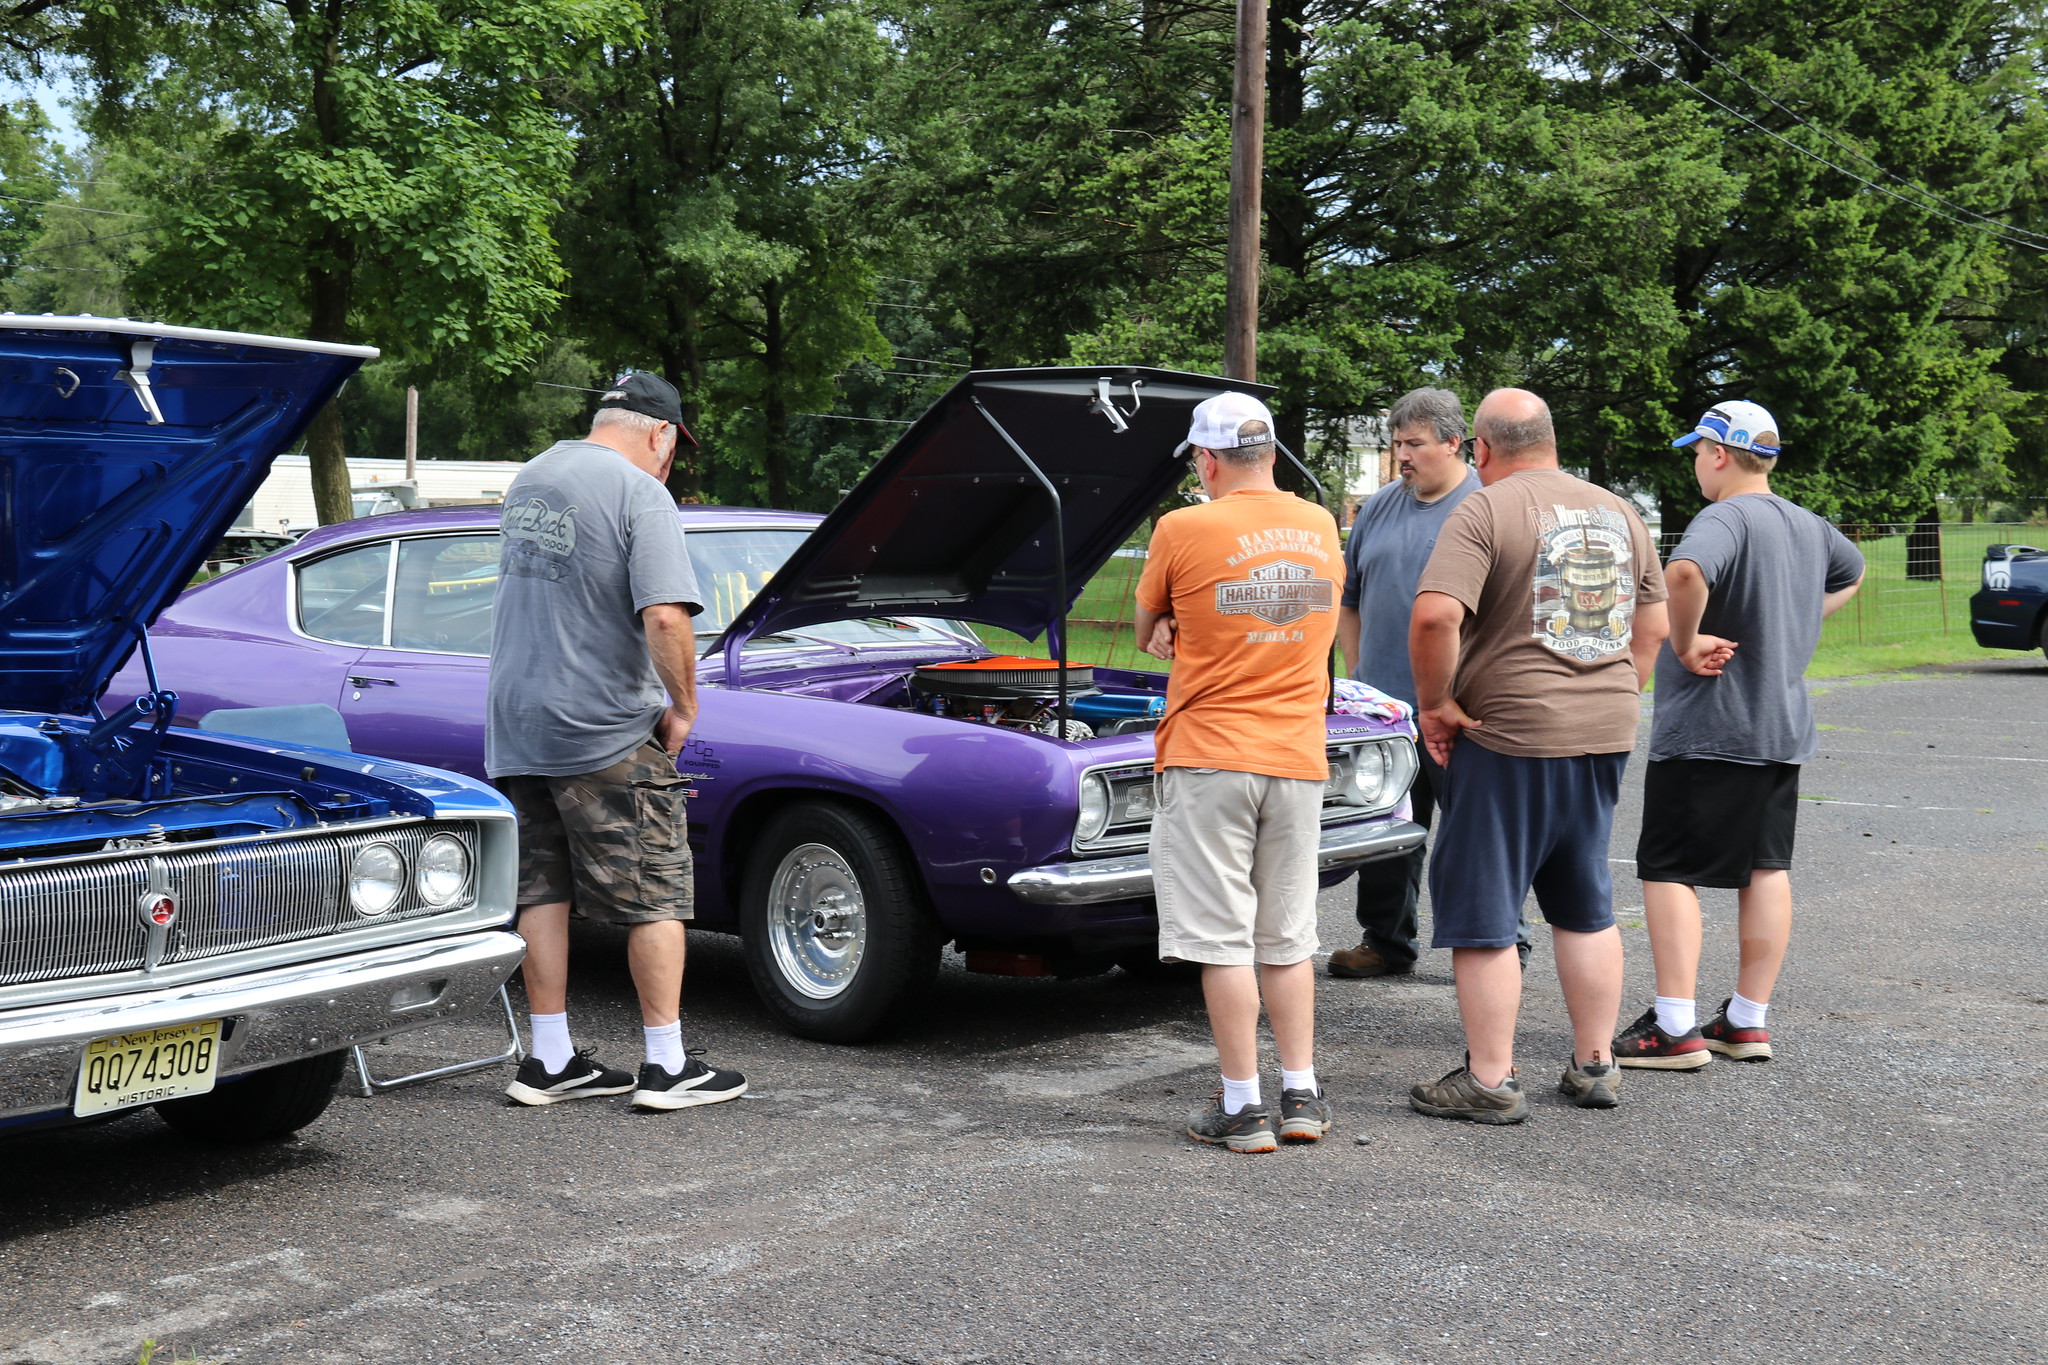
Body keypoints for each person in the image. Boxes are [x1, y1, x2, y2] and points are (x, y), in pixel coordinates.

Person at [1405, 388, 1668, 1124]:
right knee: (1584, 900)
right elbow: (1653, 617)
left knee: (1486, 904)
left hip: (1508, 733)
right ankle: (1595, 1063)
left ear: (1481, 449)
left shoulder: (1485, 508)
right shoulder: (1619, 510)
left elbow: (1433, 614)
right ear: (1549, 438)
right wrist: (1619, 687)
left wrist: (1435, 702)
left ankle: (1489, 1077)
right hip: (1603, 730)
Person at [489, 372, 747, 1112]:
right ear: (660, 432)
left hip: (516, 719)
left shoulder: (532, 476)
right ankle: (666, 1066)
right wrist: (685, 705)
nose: (670, 461)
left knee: (542, 886)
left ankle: (549, 1058)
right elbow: (665, 616)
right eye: (674, 447)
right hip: (600, 722)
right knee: (655, 889)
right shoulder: (642, 492)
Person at [1613, 402, 1864, 1069]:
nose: (1696, 464)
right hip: (1781, 727)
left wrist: (1687, 641)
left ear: (1719, 453)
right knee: (1766, 868)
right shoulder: (1809, 525)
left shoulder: (1722, 516)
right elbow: (1854, 570)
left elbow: (1686, 572)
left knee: (1668, 868)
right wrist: (1798, 620)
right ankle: (1747, 1020)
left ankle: (1674, 1025)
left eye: (1697, 452)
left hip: (1710, 728)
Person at [1134, 391, 1344, 1153]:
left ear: (1210, 459)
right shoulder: (1321, 523)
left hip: (1210, 752)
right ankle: (1301, 1094)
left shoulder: (1182, 526)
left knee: (1222, 940)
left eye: (1198, 458)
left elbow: (1146, 624)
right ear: (1274, 454)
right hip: (1296, 755)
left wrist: (1170, 622)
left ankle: (1242, 1104)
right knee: (1286, 937)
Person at [1328, 386, 1531, 978]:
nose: (1402, 457)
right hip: (1385, 710)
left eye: (1414, 444)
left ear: (1455, 442)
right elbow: (1351, 598)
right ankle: (1387, 941)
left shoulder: (1489, 504)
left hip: (1464, 709)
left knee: (1476, 834)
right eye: (1395, 445)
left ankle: (1503, 943)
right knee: (1387, 828)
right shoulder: (1380, 507)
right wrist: (1361, 674)